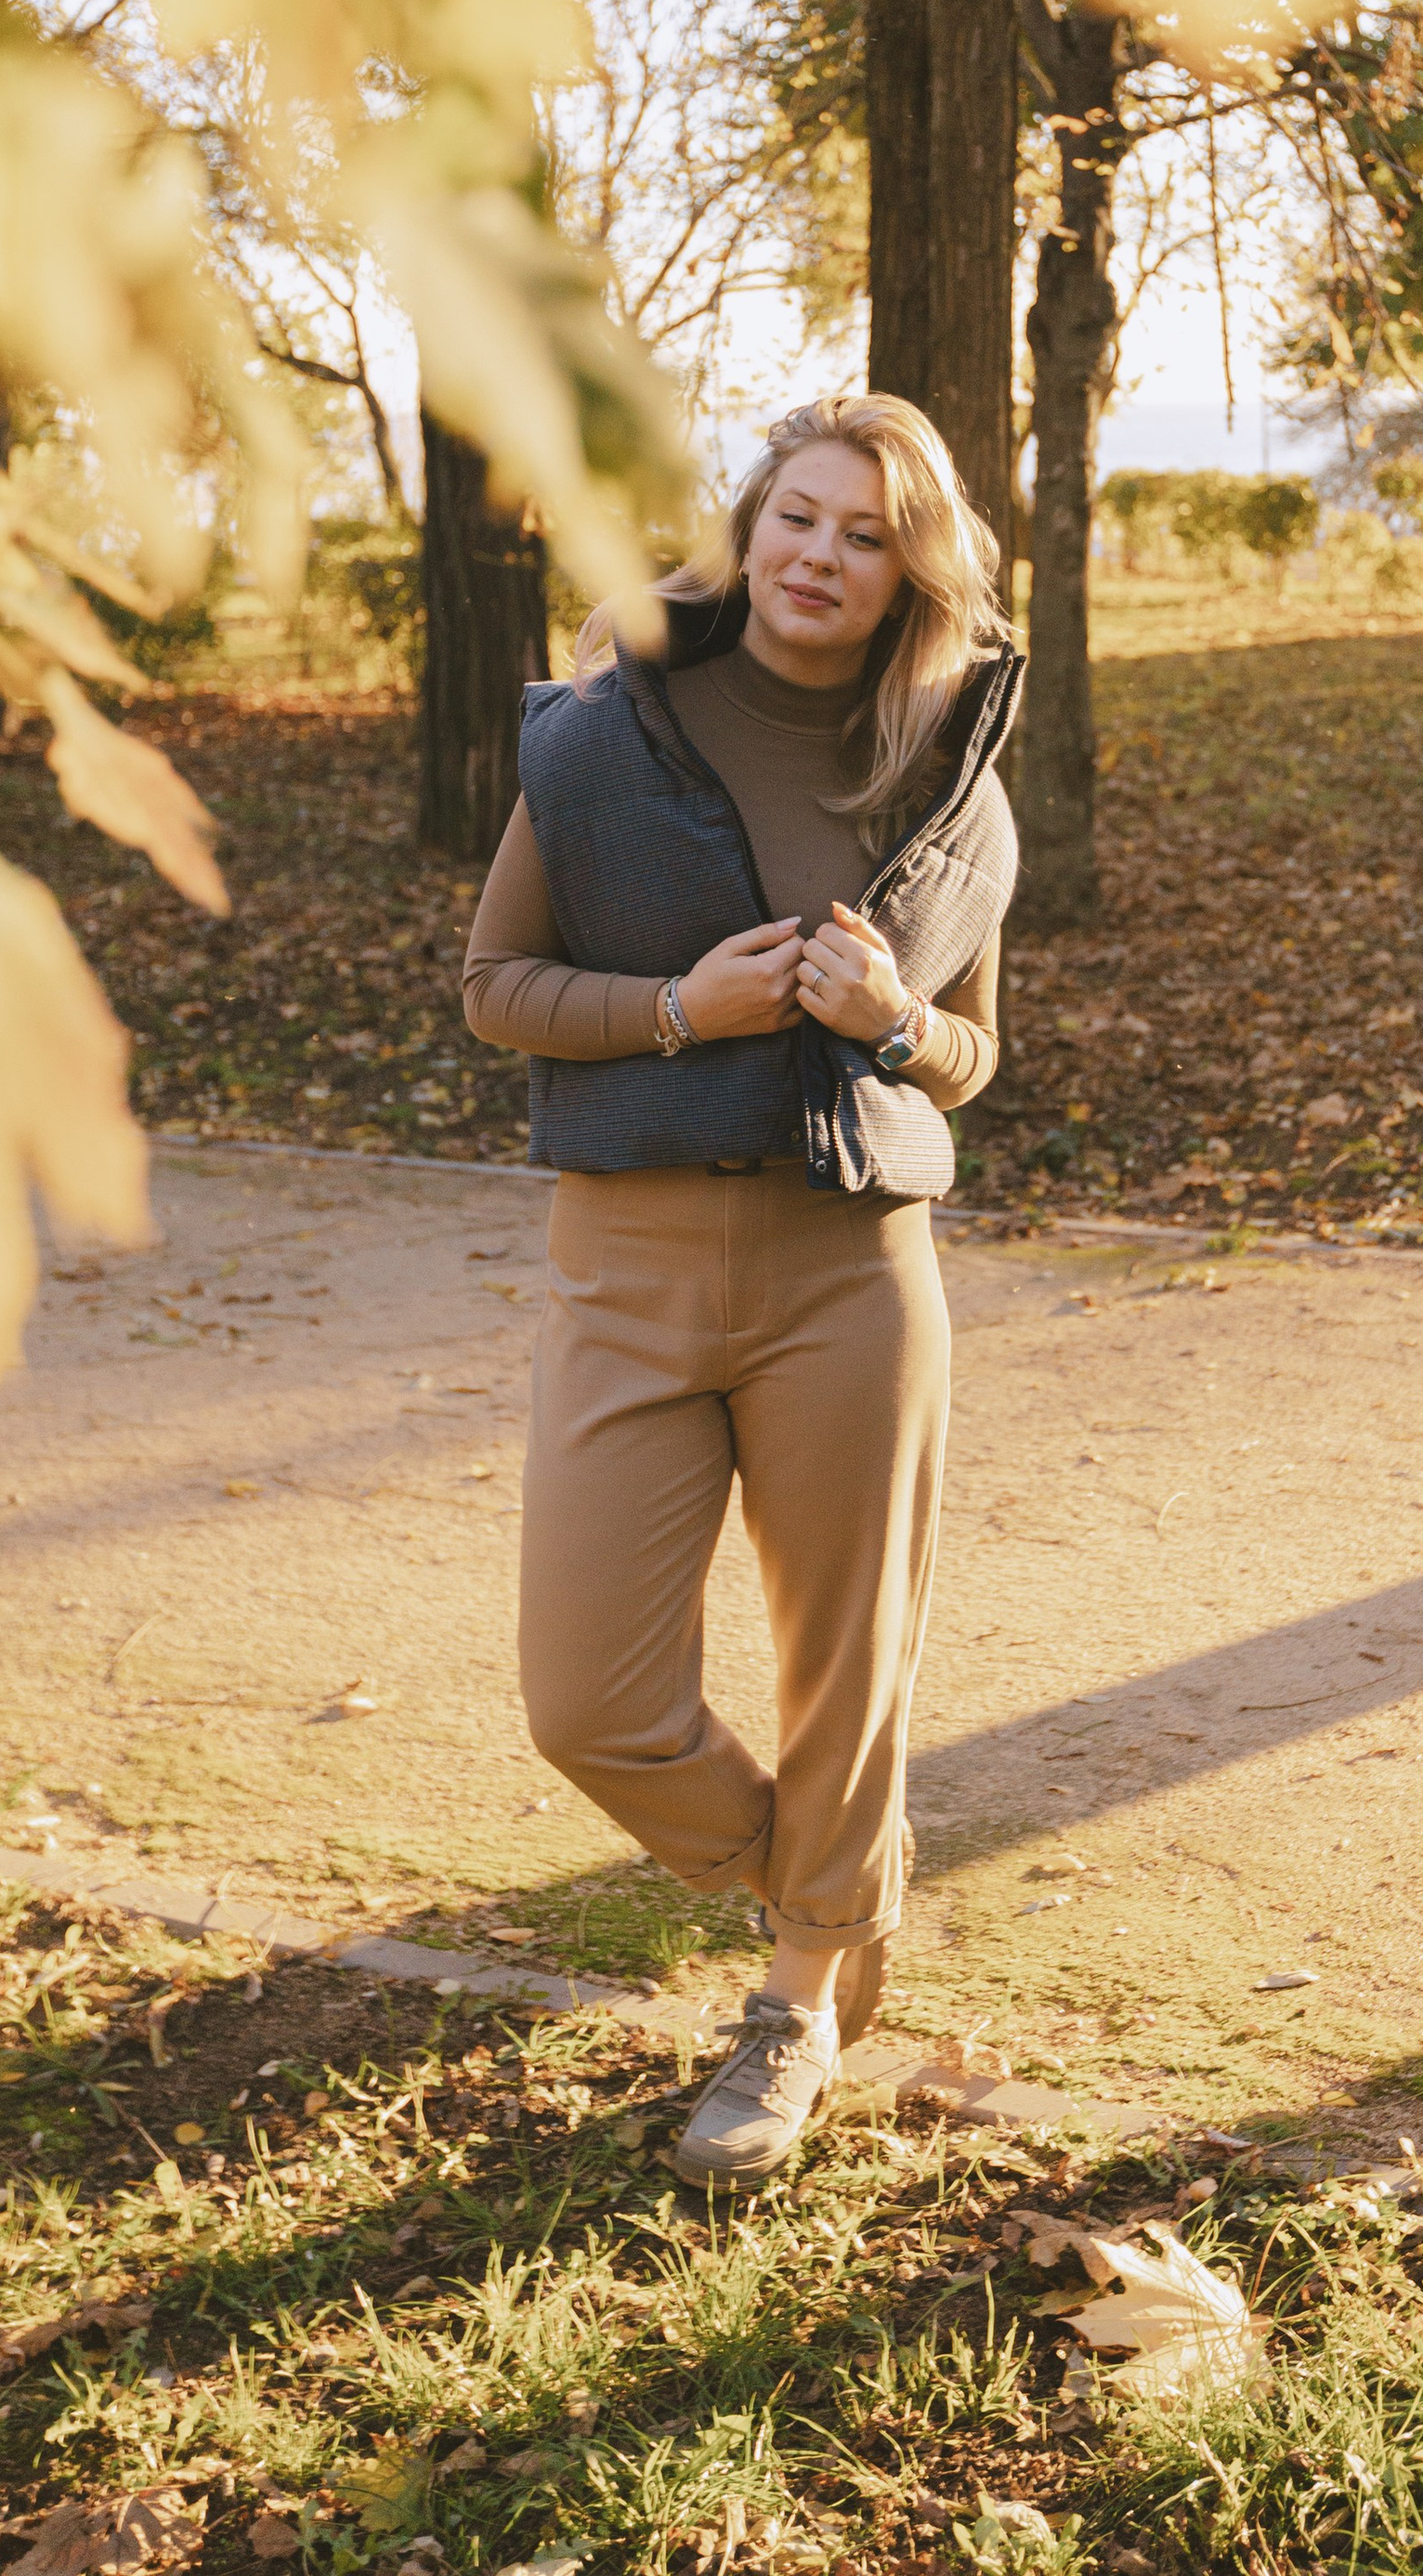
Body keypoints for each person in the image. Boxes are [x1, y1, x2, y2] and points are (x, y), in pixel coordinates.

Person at [463, 394, 1022, 2183]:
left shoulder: (948, 772)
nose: (820, 557)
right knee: (590, 1701)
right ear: (748, 522)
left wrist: (892, 1021)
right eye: (798, 515)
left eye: (866, 535)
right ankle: (833, 1892)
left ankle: (792, 2012)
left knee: (846, 1669)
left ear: (907, 570)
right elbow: (497, 983)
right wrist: (680, 1009)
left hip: (848, 1268)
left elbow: (975, 1055)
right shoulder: (605, 728)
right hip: (623, 1261)